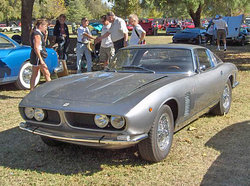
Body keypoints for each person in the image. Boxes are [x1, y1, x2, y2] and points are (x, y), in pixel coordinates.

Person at [30, 19, 51, 91]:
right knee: (46, 73)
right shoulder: (37, 34)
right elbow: (36, 47)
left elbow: (42, 44)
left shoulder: (39, 33)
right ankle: (50, 90)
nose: (46, 28)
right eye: (45, 26)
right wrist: (41, 60)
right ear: (40, 26)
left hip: (37, 55)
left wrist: (45, 36)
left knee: (35, 73)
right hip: (38, 56)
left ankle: (32, 89)